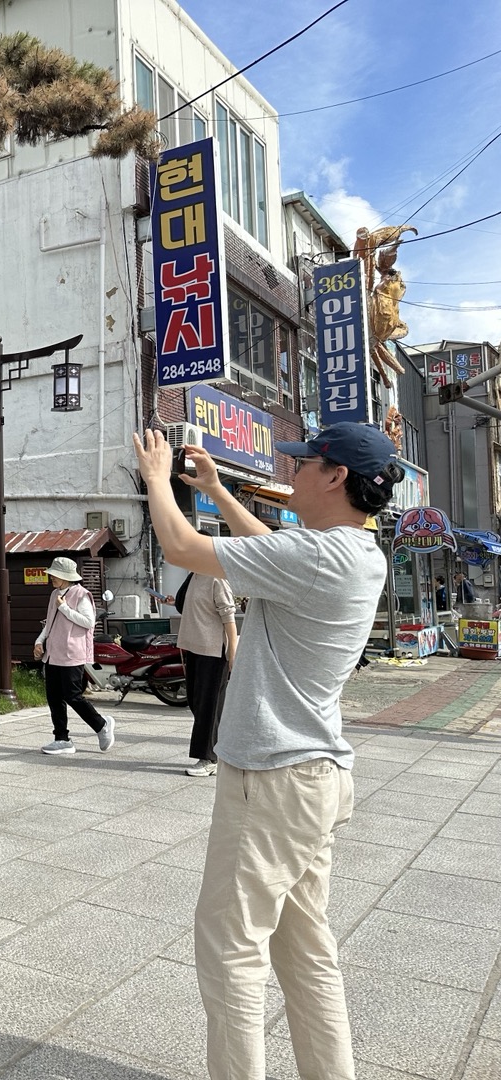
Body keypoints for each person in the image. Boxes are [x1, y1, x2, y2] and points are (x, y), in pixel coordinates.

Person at [133, 421, 401, 1079]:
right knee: (306, 951)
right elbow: (271, 553)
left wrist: (155, 477)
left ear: (336, 476)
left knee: (231, 949)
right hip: (316, 780)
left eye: (306, 464)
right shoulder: (352, 553)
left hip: (273, 780)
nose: (294, 474)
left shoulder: (321, 556)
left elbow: (180, 544)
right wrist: (220, 491)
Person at [33, 556, 115, 755]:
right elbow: (50, 622)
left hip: (71, 653)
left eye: (54, 575)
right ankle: (62, 739)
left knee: (73, 696)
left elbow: (88, 622)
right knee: (54, 697)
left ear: (65, 576)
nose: (51, 577)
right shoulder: (54, 594)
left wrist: (65, 608)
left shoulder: (81, 594)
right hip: (53, 653)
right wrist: (39, 641)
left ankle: (102, 725)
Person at [174, 572, 238, 778]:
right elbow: (183, 604)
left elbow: (229, 616)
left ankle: (209, 758)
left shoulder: (216, 578)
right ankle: (219, 750)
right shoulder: (193, 576)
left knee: (208, 707)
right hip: (194, 648)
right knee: (196, 703)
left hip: (213, 651)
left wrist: (232, 653)